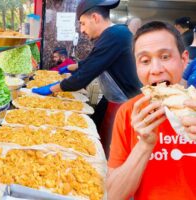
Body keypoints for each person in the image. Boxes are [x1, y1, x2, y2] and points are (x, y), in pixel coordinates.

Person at [32, 0, 141, 157]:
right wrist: (69, 67)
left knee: (110, 149)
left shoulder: (114, 36)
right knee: (98, 125)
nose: (81, 30)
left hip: (126, 104)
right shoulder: (114, 34)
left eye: (83, 24)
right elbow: (93, 61)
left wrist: (50, 88)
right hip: (114, 99)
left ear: (95, 17)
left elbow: (81, 79)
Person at [107, 21, 196, 200]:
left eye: (165, 57)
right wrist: (144, 145)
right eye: (145, 61)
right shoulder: (128, 113)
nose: (155, 70)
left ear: (184, 59)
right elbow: (114, 195)